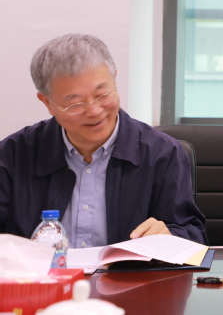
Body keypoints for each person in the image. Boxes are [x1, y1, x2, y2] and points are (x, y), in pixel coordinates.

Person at [0, 34, 206, 247]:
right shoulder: (13, 156)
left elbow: (193, 233)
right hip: (43, 270)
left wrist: (171, 236)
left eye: (102, 94)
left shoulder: (163, 154)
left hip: (128, 270)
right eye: (75, 103)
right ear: (47, 102)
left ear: (114, 79)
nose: (94, 111)